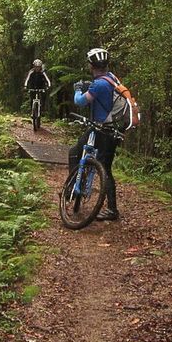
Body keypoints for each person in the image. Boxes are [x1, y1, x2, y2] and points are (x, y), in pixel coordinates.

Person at [70, 47, 121, 221]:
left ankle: (71, 188)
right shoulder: (113, 78)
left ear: (91, 66)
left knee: (74, 152)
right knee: (106, 169)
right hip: (113, 131)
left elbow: (81, 102)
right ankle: (112, 209)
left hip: (100, 129)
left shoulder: (99, 84)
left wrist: (77, 89)